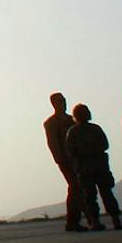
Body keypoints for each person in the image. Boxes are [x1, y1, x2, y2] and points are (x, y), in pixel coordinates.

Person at [64, 104, 122, 230]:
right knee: (107, 193)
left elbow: (70, 151)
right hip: (100, 166)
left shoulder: (73, 132)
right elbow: (105, 145)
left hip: (84, 169)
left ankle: (95, 222)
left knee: (89, 196)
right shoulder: (96, 129)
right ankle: (116, 220)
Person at [43, 92, 80, 231]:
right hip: (65, 160)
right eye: (60, 101)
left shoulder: (72, 120)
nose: (63, 103)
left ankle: (78, 219)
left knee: (78, 188)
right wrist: (60, 159)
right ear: (53, 104)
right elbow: (53, 143)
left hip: (77, 159)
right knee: (75, 187)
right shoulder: (51, 123)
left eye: (64, 100)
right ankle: (73, 221)